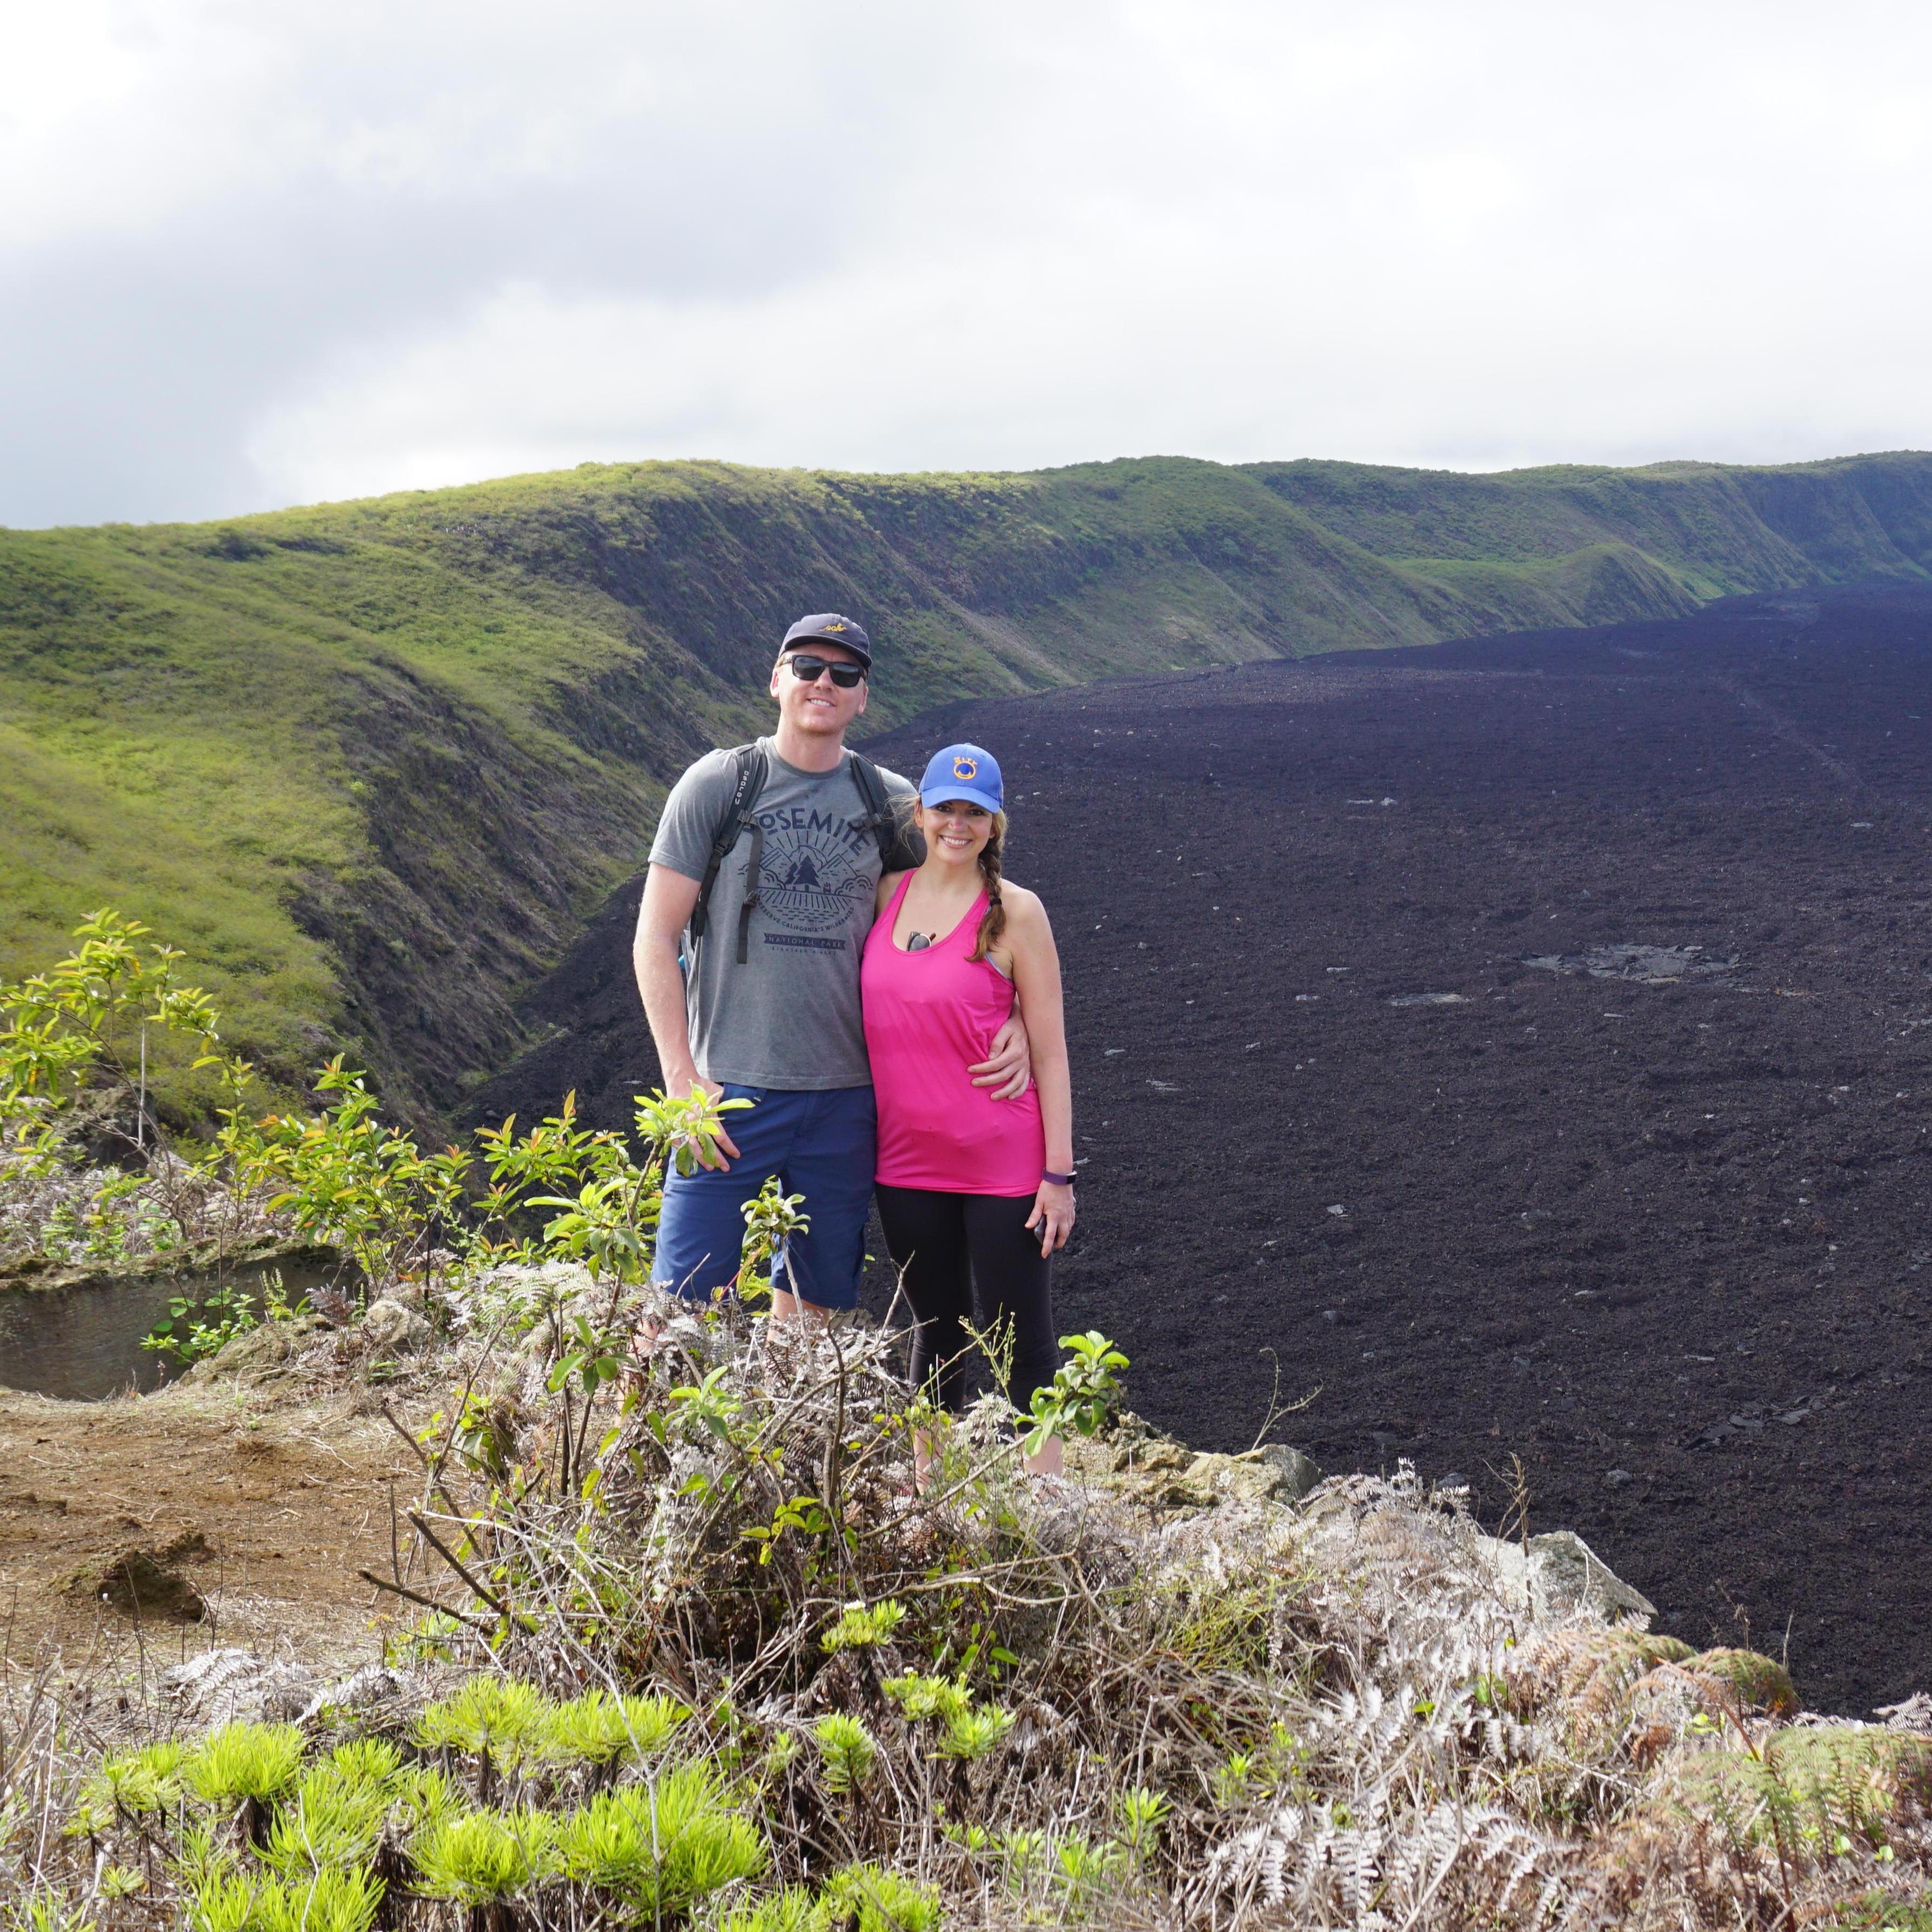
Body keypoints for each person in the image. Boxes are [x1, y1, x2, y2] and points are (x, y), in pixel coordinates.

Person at [633, 616, 1032, 1317]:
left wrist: (1018, 1013)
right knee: (678, 1304)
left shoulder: (889, 802)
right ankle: (662, 1400)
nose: (825, 682)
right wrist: (681, 1082)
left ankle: (790, 1400)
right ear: (776, 679)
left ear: (862, 697)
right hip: (727, 1094)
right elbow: (654, 937)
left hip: (848, 1100)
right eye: (808, 666)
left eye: (845, 674)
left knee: (814, 1310)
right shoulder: (720, 784)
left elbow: (974, 907)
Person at [862, 742, 1075, 1475]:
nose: (958, 824)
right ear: (919, 813)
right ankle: (931, 1498)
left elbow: (1051, 1052)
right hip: (904, 1163)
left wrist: (1059, 1176)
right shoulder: (884, 894)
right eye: (945, 809)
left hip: (1001, 1163)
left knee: (1022, 1340)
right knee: (936, 1328)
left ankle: (1048, 1510)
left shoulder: (1017, 912)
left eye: (974, 813)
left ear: (994, 824)